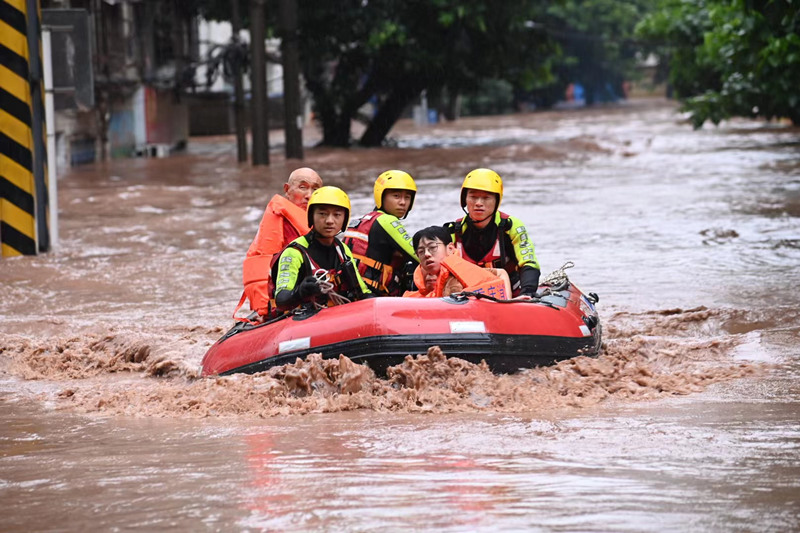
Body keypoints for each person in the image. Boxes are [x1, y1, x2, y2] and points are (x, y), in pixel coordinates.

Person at [237, 168, 323, 319]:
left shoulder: (323, 223)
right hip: (285, 300)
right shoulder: (280, 223)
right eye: (303, 187)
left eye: (315, 189)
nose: (309, 195)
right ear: (287, 190)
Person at [272, 186, 372, 311]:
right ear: (311, 216)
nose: (330, 221)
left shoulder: (343, 250)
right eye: (322, 214)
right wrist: (300, 292)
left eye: (337, 215)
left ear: (344, 219)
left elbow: (362, 291)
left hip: (339, 316)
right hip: (304, 319)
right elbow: (281, 300)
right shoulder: (294, 252)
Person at [445, 168, 541, 298]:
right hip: (465, 296)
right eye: (473, 197)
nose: (479, 203)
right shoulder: (452, 230)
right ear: (464, 199)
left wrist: (528, 292)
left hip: (511, 294)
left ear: (496, 201)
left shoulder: (511, 226)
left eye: (486, 198)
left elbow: (529, 262)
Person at [342, 170, 419, 296]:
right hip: (374, 297)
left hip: (353, 293)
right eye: (396, 196)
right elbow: (419, 255)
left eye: (407, 197)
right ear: (381, 197)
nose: (403, 202)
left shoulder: (366, 220)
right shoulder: (387, 221)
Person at [403, 226, 510, 299]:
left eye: (432, 247)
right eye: (421, 251)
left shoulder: (460, 277)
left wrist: (507, 302)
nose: (426, 254)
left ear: (450, 249)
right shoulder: (422, 288)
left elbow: (501, 273)